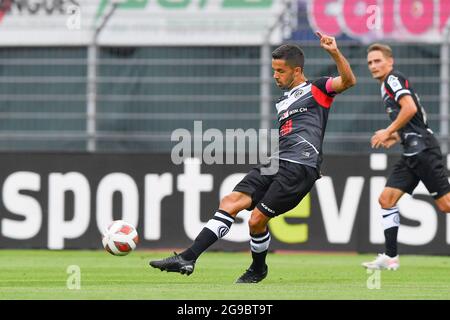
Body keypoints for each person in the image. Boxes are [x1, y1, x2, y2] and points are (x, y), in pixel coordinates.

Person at [149, 32, 356, 283]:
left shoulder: (317, 88)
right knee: (231, 201)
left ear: (297, 70)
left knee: (257, 220)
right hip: (277, 161)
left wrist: (334, 53)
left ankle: (258, 269)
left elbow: (347, 81)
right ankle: (188, 258)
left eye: (280, 71)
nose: (275, 76)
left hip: (301, 166)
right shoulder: (283, 101)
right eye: (273, 70)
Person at [363, 43, 450, 270]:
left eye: (378, 60)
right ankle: (390, 257)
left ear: (390, 61)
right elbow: (416, 119)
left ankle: (390, 257)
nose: (373, 66)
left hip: (424, 150)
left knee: (446, 205)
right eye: (370, 62)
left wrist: (388, 131)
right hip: (411, 150)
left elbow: (409, 108)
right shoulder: (386, 86)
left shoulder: (393, 78)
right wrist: (397, 136)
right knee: (386, 199)